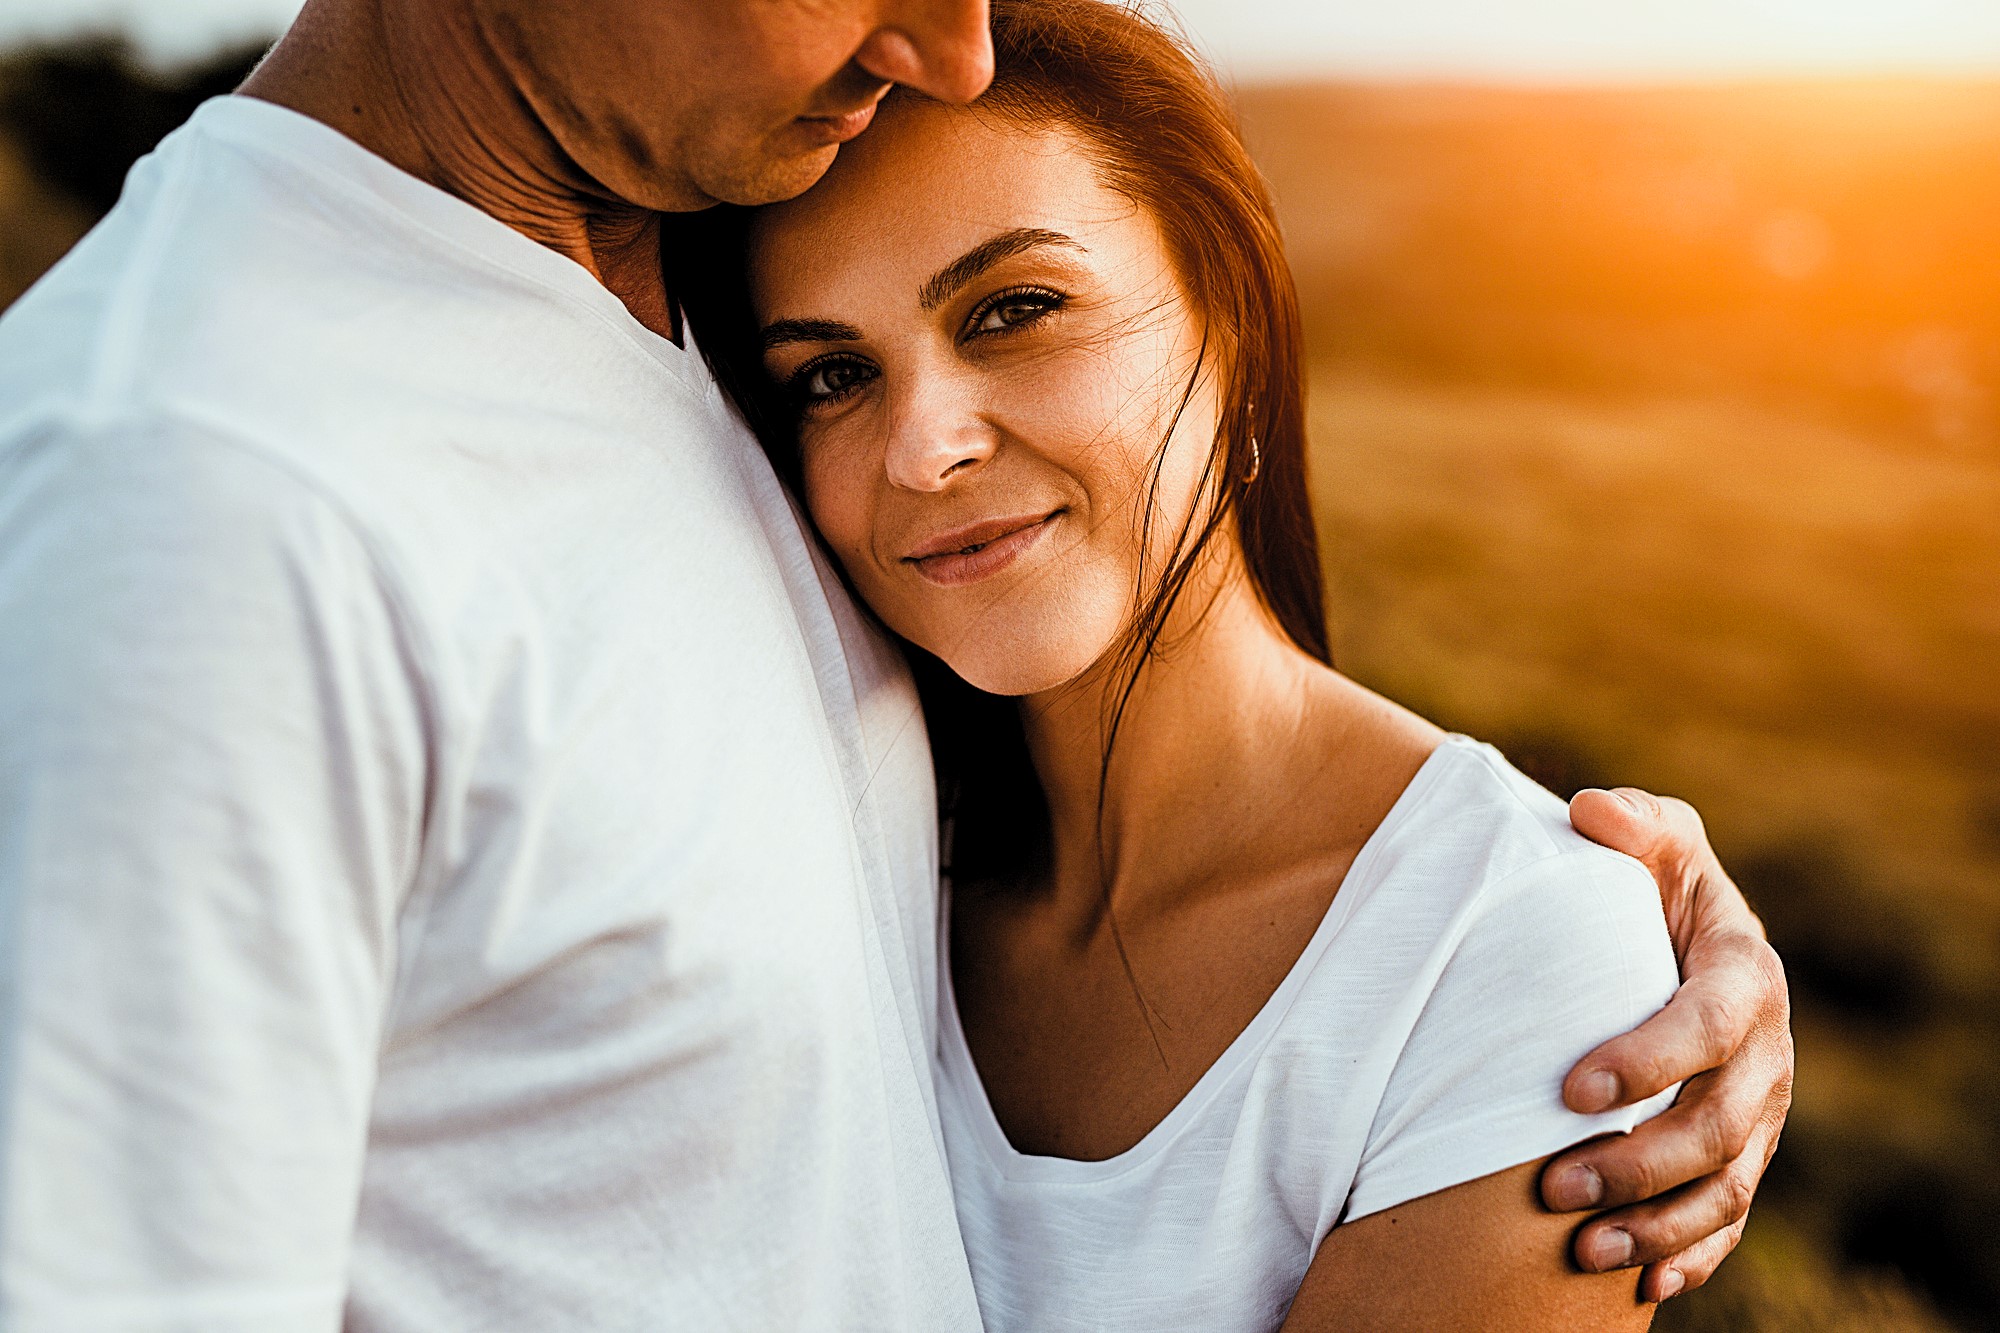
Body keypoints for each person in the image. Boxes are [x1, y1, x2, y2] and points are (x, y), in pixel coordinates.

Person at [0, 0, 1786, 1327]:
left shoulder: (672, 276)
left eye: (1014, 310)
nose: (950, 38)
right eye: (831, 377)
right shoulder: (196, 480)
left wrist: (1569, 930)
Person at [685, 1, 1792, 1327]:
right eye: (830, 376)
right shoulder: (834, 854)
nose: (922, 446)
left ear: (1232, 323)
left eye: (1015, 308)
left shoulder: (1505, 951)